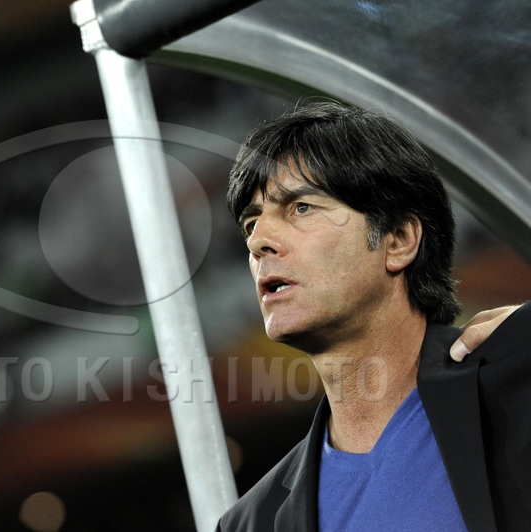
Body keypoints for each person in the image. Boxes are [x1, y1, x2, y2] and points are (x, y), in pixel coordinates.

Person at [216, 102, 530, 531]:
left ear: (398, 240)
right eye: (251, 223)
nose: (258, 242)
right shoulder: (250, 523)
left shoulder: (520, 379)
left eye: (301, 207)